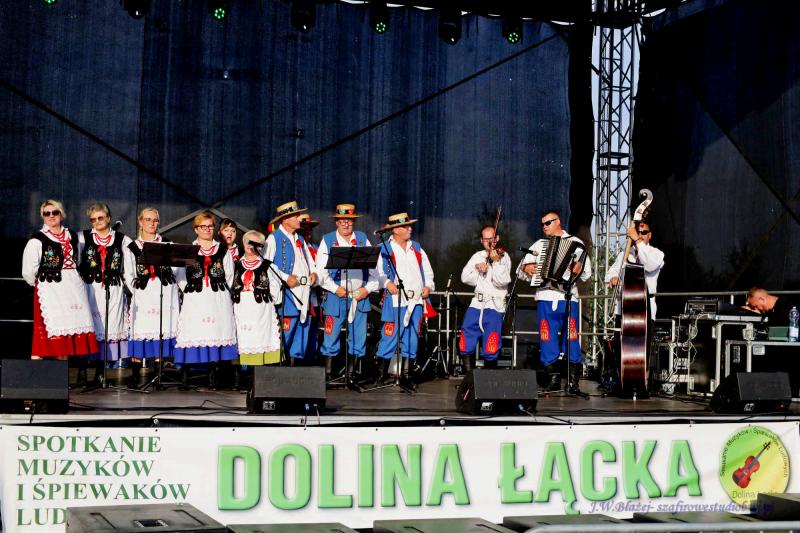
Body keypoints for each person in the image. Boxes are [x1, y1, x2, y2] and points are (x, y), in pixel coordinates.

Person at [518, 210, 591, 393]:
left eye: (548, 223)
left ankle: (573, 382)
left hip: (568, 296)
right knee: (547, 337)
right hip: (545, 296)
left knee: (571, 337)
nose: (544, 227)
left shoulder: (576, 243)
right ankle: (554, 380)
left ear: (558, 221)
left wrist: (579, 269)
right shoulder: (539, 245)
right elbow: (520, 271)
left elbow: (586, 273)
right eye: (542, 224)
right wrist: (527, 269)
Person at [22, 200, 98, 366]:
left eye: (54, 212)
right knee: (46, 335)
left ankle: (61, 374)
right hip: (50, 290)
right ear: (42, 216)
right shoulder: (37, 239)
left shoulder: (72, 236)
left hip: (72, 289)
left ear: (61, 214)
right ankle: (36, 374)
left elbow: (77, 261)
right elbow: (28, 270)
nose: (51, 216)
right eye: (46, 213)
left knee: (66, 336)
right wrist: (42, 285)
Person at [316, 204, 378, 383]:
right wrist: (335, 288)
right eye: (342, 221)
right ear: (336, 222)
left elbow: (375, 270)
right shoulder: (328, 240)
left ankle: (351, 374)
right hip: (336, 296)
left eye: (349, 221)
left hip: (359, 296)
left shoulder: (362, 239)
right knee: (331, 335)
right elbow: (320, 272)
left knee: (359, 336)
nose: (346, 224)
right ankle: (328, 375)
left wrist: (367, 289)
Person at [174, 212, 237, 388]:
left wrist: (219, 290)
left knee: (216, 332)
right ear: (196, 229)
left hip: (217, 297)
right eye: (203, 226)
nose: (207, 229)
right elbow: (180, 276)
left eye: (210, 226)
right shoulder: (189, 250)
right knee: (193, 331)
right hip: (195, 297)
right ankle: (186, 376)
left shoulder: (223, 250)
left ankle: (212, 376)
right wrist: (189, 290)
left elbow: (229, 275)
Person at [375, 212, 436, 390]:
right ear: (395, 230)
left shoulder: (416, 247)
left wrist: (428, 286)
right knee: (390, 336)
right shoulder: (384, 248)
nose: (410, 229)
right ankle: (381, 375)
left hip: (415, 300)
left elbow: (428, 271)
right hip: (396, 299)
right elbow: (377, 273)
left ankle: (407, 375)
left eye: (409, 226)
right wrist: (387, 283)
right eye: (405, 226)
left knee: (412, 337)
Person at [123, 207, 181, 386]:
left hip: (164, 292)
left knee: (161, 331)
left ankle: (158, 374)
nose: (152, 223)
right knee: (141, 330)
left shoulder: (167, 244)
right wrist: (138, 289)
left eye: (155, 220)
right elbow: (128, 274)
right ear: (140, 222)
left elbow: (177, 270)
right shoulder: (132, 247)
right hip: (144, 294)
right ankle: (135, 375)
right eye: (148, 219)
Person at [78, 203, 132, 385]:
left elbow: (130, 266)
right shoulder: (82, 238)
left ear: (108, 218)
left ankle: (101, 372)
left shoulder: (123, 240)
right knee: (87, 327)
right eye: (93, 219)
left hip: (113, 290)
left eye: (100, 217)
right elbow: (75, 261)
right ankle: (82, 370)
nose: (97, 221)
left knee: (108, 329)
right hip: (90, 288)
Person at [263, 201, 318, 364]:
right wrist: (285, 277)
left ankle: (296, 368)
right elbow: (266, 264)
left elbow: (310, 261)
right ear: (285, 219)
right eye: (295, 216)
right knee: (287, 328)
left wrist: (314, 273)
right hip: (287, 293)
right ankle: (281, 366)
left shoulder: (299, 238)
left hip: (304, 291)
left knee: (302, 329)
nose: (299, 218)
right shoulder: (273, 238)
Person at [458, 225, 511, 372]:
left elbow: (502, 281)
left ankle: (489, 375)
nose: (489, 242)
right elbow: (465, 278)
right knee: (466, 335)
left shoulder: (504, 257)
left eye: (492, 239)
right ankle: (469, 375)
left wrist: (496, 262)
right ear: (481, 240)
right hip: (477, 303)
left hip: (494, 304)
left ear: (497, 238)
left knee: (491, 340)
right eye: (486, 239)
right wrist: (477, 269)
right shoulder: (478, 256)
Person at [232, 230, 282, 378]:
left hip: (261, 309)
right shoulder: (234, 265)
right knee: (241, 338)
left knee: (260, 338)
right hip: (240, 308)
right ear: (243, 243)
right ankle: (239, 378)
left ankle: (259, 378)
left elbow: (276, 291)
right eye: (248, 242)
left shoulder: (269, 266)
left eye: (256, 243)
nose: (251, 246)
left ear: (261, 247)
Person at [605, 221, 664, 319]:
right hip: (623, 308)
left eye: (644, 232)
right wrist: (613, 277)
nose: (640, 235)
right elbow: (611, 272)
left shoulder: (656, 253)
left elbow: (649, 265)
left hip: (646, 308)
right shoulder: (625, 254)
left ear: (649, 235)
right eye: (637, 232)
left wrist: (637, 239)